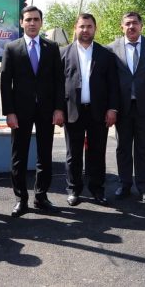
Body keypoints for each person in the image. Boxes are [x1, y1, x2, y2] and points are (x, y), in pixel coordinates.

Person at [0, 6, 65, 217]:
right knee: (19, 156)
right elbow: (5, 83)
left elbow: (59, 81)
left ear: (41, 22)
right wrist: (9, 112)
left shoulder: (51, 47)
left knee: (44, 155)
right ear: (21, 23)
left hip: (47, 111)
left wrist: (58, 108)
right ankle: (21, 199)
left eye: (36, 19)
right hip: (20, 112)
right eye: (28, 19)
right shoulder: (11, 48)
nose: (32, 23)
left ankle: (41, 197)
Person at [61, 13, 120, 206]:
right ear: (75, 28)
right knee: (73, 154)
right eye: (82, 26)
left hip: (98, 112)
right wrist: (58, 110)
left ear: (95, 29)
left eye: (89, 26)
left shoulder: (106, 54)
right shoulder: (63, 53)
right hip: (72, 111)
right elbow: (57, 85)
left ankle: (97, 189)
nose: (85, 30)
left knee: (97, 153)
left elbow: (113, 85)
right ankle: (73, 190)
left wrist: (112, 109)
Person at [107, 12, 145, 203]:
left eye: (135, 23)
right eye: (127, 23)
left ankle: (144, 187)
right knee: (123, 148)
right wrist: (111, 108)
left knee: (144, 148)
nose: (131, 27)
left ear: (141, 25)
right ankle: (124, 184)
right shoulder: (111, 49)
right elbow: (110, 82)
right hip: (122, 108)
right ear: (122, 27)